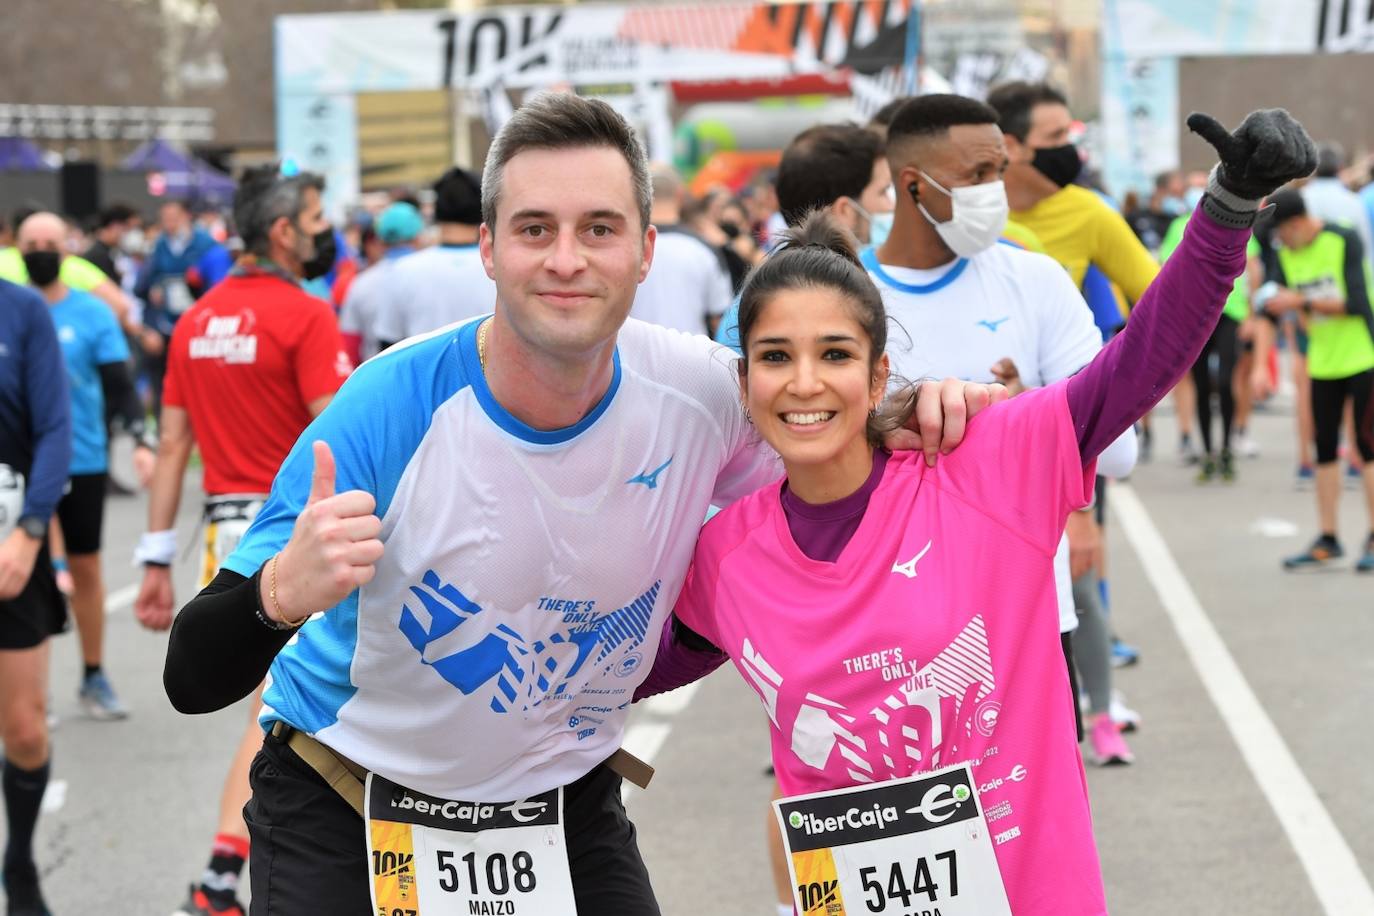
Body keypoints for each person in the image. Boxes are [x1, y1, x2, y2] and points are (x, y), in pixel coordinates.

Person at [158, 92, 996, 915]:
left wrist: (938, 411)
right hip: (347, 800)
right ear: (489, 249)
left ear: (645, 251)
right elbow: (190, 676)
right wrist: (278, 597)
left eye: (599, 228)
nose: (567, 259)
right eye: (535, 230)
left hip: (559, 803)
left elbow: (838, 439)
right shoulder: (391, 407)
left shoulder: (701, 391)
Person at [652, 108, 1314, 916]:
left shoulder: (982, 461)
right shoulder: (727, 554)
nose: (804, 384)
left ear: (878, 370)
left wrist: (1228, 207)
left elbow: (1140, 363)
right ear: (744, 377)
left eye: (834, 355)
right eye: (774, 358)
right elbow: (619, 673)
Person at [864, 94, 1139, 766]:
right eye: (976, 175)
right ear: (912, 184)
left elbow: (1120, 452)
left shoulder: (1036, 282)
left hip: (1030, 624)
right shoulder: (837, 296)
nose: (996, 191)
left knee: (1037, 856)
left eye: (999, 169)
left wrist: (1025, 411)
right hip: (880, 632)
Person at [132, 166, 351, 916]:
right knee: (286, 715)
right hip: (293, 538)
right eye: (318, 220)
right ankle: (228, 872)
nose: (327, 234)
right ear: (285, 231)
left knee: (277, 711)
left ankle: (237, 867)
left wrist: (155, 556)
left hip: (224, 539)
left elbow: (170, 446)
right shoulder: (308, 314)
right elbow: (346, 434)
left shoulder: (195, 321)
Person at [18, 212, 156, 721]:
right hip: (18, 463)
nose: (40, 250)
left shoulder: (93, 314)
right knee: (26, 572)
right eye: (31, 242)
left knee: (84, 568)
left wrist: (141, 439)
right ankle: (33, 689)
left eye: (49, 242)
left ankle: (94, 674)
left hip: (82, 457)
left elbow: (121, 386)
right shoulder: (10, 310)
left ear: (66, 248)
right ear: (16, 244)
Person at [0, 275, 72, 916]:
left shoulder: (20, 311)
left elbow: (54, 428)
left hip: (10, 552)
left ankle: (18, 861)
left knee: (23, 730)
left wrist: (29, 534)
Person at [1261, 190, 1374, 571]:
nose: (1280, 242)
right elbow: (1275, 300)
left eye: (1281, 233)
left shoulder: (1342, 239)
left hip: (1364, 357)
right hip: (1322, 364)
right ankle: (1328, 538)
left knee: (1367, 450)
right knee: (1324, 450)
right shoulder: (1286, 254)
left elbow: (1358, 303)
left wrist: (1301, 303)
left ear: (1297, 224)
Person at [715, 122, 894, 349]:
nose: (891, 206)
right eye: (883, 192)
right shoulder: (831, 298)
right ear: (845, 212)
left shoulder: (754, 301)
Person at [372, 167, 496, 346]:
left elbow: (387, 345)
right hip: (487, 372)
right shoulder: (499, 269)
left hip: (420, 372)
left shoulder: (402, 270)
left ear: (436, 211)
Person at [629, 164, 733, 336]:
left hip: (630, 357)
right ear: (680, 195)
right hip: (693, 357)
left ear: (641, 196)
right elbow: (721, 321)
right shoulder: (704, 250)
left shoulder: (625, 248)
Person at [338, 201, 423, 363]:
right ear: (418, 237)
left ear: (381, 242)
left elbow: (350, 346)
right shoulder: (431, 275)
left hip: (377, 377)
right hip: (426, 379)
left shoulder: (360, 284)